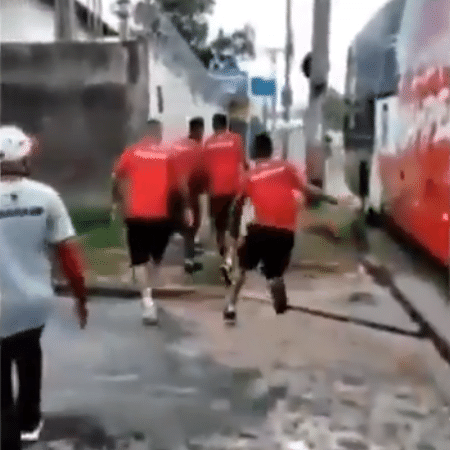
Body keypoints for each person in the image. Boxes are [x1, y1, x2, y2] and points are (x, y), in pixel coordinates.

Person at [0, 125, 88, 447]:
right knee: (28, 355)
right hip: (32, 305)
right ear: (22, 159)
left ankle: (6, 427)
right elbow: (70, 257)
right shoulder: (46, 197)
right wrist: (80, 298)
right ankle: (29, 422)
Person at [223, 133, 338, 321]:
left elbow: (236, 206)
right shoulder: (286, 167)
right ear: (271, 150)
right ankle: (275, 281)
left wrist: (233, 233)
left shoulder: (249, 175)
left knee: (242, 268)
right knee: (274, 270)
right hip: (285, 233)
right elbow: (309, 190)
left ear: (253, 152)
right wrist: (330, 199)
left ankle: (230, 306)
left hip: (260, 229)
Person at [111, 119, 191, 325]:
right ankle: (149, 295)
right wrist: (187, 209)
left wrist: (116, 201)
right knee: (155, 259)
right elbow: (179, 187)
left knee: (139, 260)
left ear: (144, 132)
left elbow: (116, 177)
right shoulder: (168, 154)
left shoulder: (131, 152)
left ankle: (147, 301)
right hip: (160, 215)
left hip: (135, 215)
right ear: (159, 133)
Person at [203, 113, 247, 285]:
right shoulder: (236, 140)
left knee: (219, 228)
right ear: (226, 125)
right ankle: (228, 260)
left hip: (215, 192)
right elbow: (244, 163)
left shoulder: (208, 144)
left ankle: (223, 254)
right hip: (233, 191)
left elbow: (205, 170)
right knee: (233, 228)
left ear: (214, 126)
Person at [169, 117, 207, 274]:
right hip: (188, 193)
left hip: (171, 191)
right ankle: (189, 261)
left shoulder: (176, 144)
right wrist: (203, 189)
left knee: (174, 221)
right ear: (198, 131)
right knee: (192, 225)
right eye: (201, 132)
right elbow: (202, 173)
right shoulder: (198, 149)